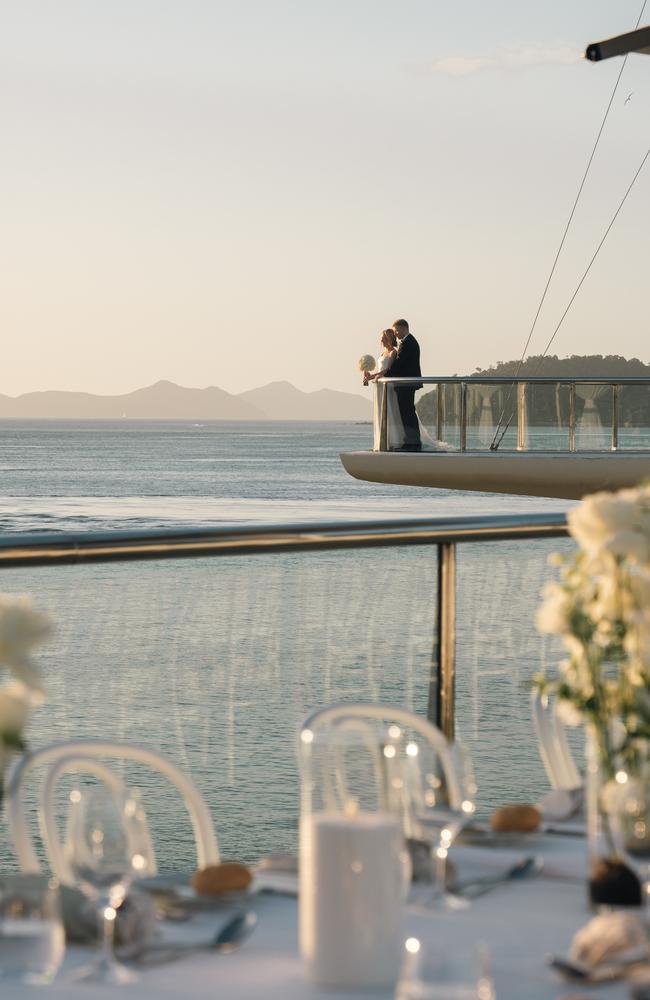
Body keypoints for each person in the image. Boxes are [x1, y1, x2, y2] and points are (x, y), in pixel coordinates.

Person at [383, 318, 422, 451]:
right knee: (407, 412)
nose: (395, 334)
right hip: (406, 384)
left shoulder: (408, 343)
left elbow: (399, 364)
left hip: (406, 384)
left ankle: (412, 443)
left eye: (395, 331)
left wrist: (384, 375)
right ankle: (412, 442)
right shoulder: (408, 342)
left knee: (407, 413)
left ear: (402, 328)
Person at [363, 330, 403, 449]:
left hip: (388, 386)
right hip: (379, 386)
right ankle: (382, 440)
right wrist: (369, 375)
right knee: (380, 410)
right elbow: (380, 370)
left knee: (389, 409)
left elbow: (388, 370)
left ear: (390, 339)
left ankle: (393, 441)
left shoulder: (393, 353)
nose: (381, 340)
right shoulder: (382, 354)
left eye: (384, 338)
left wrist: (372, 376)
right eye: (381, 338)